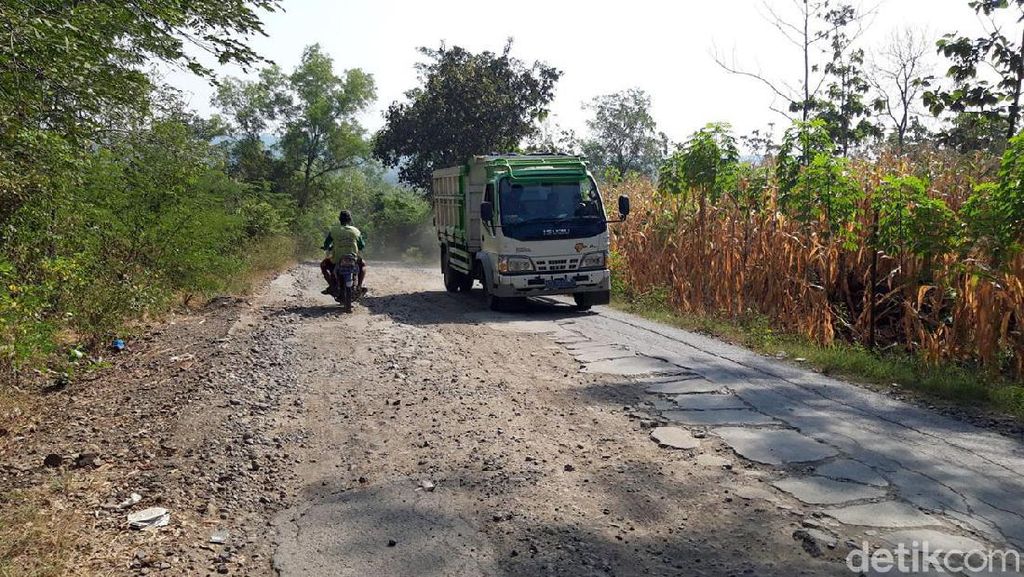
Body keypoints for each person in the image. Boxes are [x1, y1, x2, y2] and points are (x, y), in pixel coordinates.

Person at [320, 210, 366, 295]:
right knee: (363, 264)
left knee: (323, 265)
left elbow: (326, 244)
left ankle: (332, 285)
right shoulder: (355, 231)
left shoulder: (334, 230)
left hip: (337, 259)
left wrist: (327, 248)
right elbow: (362, 245)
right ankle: (359, 286)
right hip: (353, 259)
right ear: (350, 219)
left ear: (339, 219)